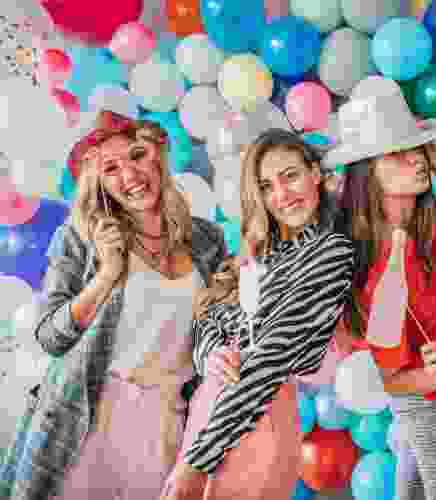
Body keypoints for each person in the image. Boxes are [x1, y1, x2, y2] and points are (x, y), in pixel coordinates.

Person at [0, 110, 227, 500]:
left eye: (137, 155)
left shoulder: (206, 239)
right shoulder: (80, 237)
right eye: (111, 168)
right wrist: (106, 275)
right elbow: (51, 337)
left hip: (165, 424)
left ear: (157, 155)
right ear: (99, 182)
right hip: (87, 415)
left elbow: (212, 330)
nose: (131, 176)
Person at [163, 129, 354, 500]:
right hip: (211, 410)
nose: (281, 195)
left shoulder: (330, 252)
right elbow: (210, 318)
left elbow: (272, 359)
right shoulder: (265, 251)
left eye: (290, 176)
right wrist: (211, 355)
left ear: (315, 173)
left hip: (257, 415)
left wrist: (197, 462)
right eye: (266, 186)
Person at [325, 77, 436, 500]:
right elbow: (375, 369)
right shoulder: (361, 256)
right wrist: (420, 380)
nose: (415, 160)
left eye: (416, 148)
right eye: (397, 153)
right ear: (368, 173)